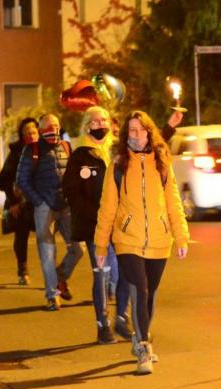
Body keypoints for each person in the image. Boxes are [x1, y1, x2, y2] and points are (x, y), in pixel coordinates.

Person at [94, 110, 190, 375]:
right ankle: (144, 348)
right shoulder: (118, 164)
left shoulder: (161, 163)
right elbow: (107, 207)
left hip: (160, 240)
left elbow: (173, 202)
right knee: (140, 290)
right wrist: (101, 245)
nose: (136, 135)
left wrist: (181, 235)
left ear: (149, 132)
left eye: (141, 130)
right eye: (131, 131)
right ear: (126, 134)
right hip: (128, 240)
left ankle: (139, 335)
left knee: (150, 295)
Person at [62, 106, 132, 344]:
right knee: (101, 274)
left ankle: (122, 317)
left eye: (103, 120)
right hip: (95, 228)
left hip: (121, 226)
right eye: (94, 121)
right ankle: (103, 325)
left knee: (126, 272)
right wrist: (99, 216)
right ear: (86, 125)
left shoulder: (116, 153)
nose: (99, 124)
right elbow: (72, 192)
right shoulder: (80, 155)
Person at [16, 113, 83, 310]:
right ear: (40, 128)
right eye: (48, 125)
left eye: (56, 125)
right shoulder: (32, 150)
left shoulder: (65, 147)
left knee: (78, 248)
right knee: (47, 252)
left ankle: (60, 278)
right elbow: (22, 180)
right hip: (44, 207)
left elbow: (73, 173)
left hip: (66, 206)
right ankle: (52, 296)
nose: (53, 129)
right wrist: (38, 201)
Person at [0, 117, 39, 285]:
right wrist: (13, 200)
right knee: (21, 236)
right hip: (20, 202)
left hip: (40, 201)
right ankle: (23, 269)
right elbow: (2, 179)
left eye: (34, 132)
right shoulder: (16, 154)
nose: (31, 136)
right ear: (22, 135)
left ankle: (51, 273)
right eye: (27, 133)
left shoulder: (44, 150)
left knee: (45, 237)